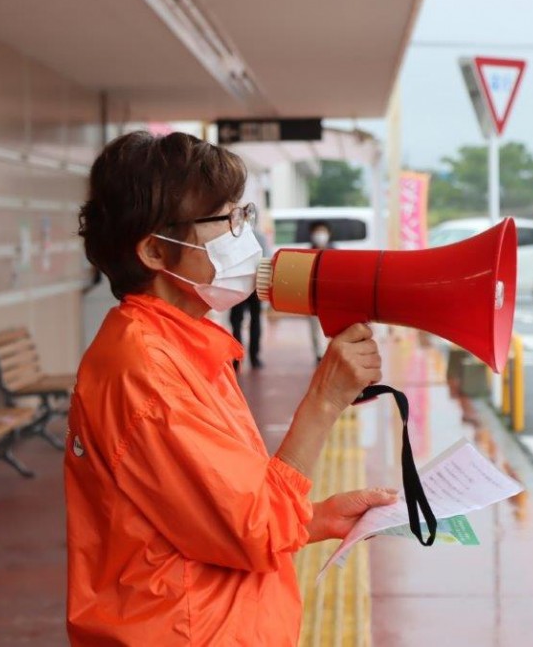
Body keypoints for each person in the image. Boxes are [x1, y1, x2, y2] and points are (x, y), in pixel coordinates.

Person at [68, 131, 395, 646]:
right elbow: (254, 528)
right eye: (227, 221)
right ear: (155, 250)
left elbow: (207, 513)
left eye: (243, 215)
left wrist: (314, 518)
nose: (246, 235)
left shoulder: (175, 344)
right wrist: (325, 399)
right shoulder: (147, 371)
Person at [229, 228, 268, 370]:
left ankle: (251, 356)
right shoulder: (233, 236)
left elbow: (265, 260)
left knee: (251, 322)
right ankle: (239, 357)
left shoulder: (257, 236)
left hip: (252, 286)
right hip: (239, 286)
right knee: (237, 322)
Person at [307, 221, 333, 362]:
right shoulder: (308, 253)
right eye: (317, 232)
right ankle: (319, 355)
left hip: (331, 298)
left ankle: (332, 354)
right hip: (313, 298)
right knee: (315, 328)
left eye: (322, 231)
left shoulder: (336, 252)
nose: (320, 235)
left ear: (329, 234)